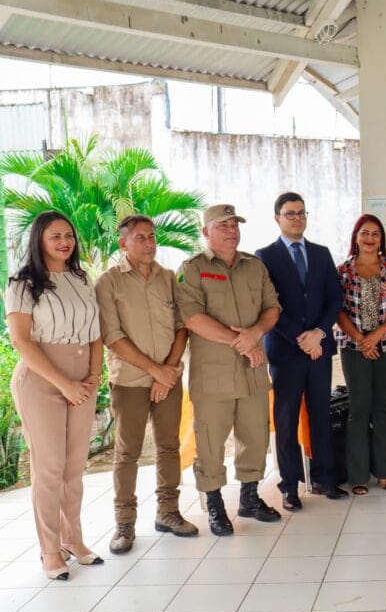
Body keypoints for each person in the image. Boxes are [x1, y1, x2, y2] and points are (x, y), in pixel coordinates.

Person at [5, 211, 104, 579]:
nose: (65, 242)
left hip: (83, 379)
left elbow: (96, 333)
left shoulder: (81, 278)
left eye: (69, 235)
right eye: (55, 237)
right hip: (42, 379)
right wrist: (64, 383)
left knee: (74, 468)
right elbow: (21, 340)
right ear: (39, 241)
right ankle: (49, 551)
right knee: (49, 469)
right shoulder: (23, 283)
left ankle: (73, 540)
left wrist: (93, 376)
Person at [175, 204, 282, 536]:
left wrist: (255, 334)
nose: (231, 230)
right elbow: (192, 317)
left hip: (251, 372)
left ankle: (249, 498)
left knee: (254, 435)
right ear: (206, 232)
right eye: (223, 226)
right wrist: (242, 341)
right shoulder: (191, 269)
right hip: (214, 374)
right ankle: (215, 504)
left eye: (235, 224)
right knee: (209, 442)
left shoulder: (254, 266)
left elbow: (272, 308)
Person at [96, 215, 196, 554]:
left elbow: (182, 326)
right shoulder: (108, 283)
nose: (150, 243)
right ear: (123, 244)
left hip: (167, 378)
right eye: (141, 238)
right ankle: (124, 524)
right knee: (127, 452)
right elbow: (112, 336)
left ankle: (168, 512)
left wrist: (168, 370)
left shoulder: (168, 278)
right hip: (130, 381)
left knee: (169, 446)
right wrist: (157, 371)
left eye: (152, 237)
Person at [256, 192, 346, 511]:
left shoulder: (321, 254)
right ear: (277, 218)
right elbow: (270, 305)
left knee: (321, 414)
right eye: (290, 213)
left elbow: (335, 298)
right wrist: (301, 337)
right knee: (287, 420)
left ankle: (324, 479)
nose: (297, 218)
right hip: (286, 352)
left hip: (319, 350)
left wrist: (319, 333)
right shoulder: (264, 256)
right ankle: (289, 486)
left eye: (301, 213)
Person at [336, 214, 386, 494]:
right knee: (358, 409)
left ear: (381, 239)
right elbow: (337, 309)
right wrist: (360, 339)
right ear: (355, 237)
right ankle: (358, 476)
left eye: (375, 234)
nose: (369, 239)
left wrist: (376, 336)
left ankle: (385, 473)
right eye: (364, 233)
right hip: (353, 347)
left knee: (382, 408)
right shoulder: (342, 270)